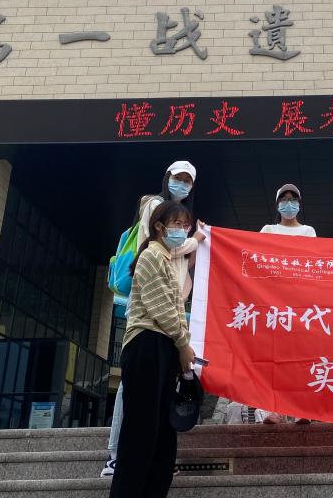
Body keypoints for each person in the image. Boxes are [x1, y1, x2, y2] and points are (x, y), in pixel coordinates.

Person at [103, 160, 205, 478]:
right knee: (133, 388)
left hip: (169, 312)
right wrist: (197, 239)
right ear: (167, 178)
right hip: (148, 315)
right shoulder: (154, 205)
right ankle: (117, 456)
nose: (182, 185)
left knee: (158, 391)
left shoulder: (180, 222)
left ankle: (150, 460)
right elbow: (163, 248)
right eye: (178, 178)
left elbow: (180, 266)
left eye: (188, 181)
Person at [255, 184, 314, 425]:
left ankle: (301, 408)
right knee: (273, 357)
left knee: (300, 356)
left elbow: (313, 261)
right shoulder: (268, 230)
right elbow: (256, 258)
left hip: (299, 302)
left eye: (293, 199)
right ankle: (273, 409)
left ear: (299, 204)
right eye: (284, 199)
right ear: (277, 204)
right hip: (272, 301)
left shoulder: (309, 231)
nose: (289, 204)